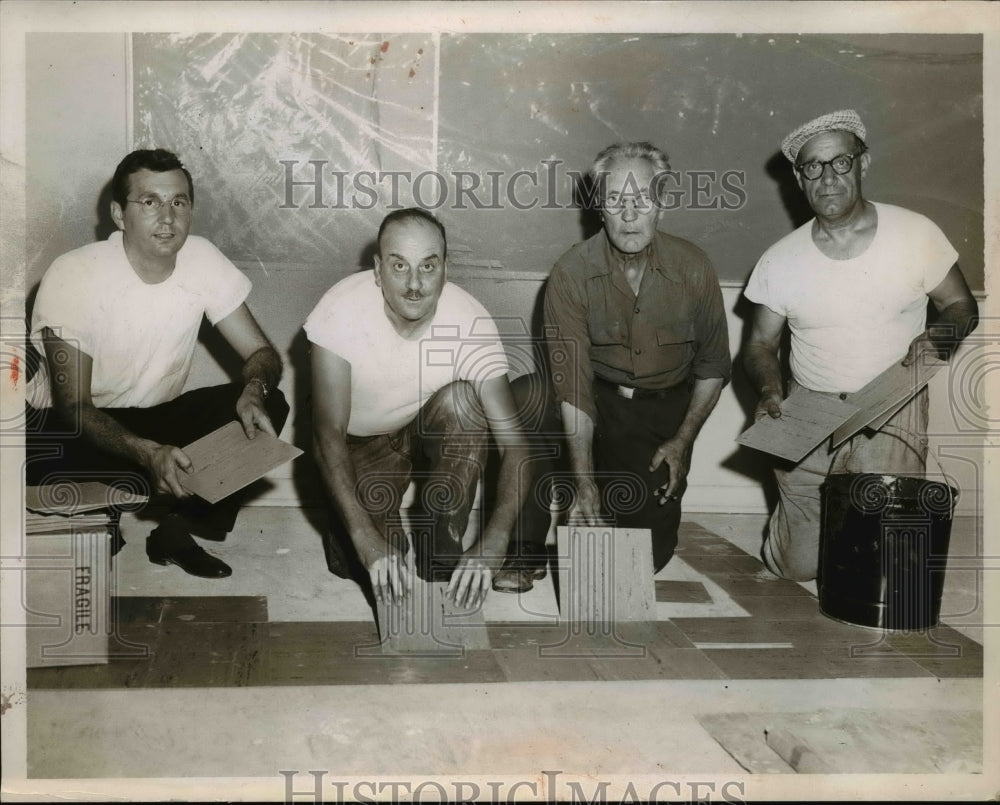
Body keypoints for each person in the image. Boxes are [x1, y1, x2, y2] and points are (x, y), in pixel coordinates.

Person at [27, 148, 289, 579]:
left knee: (267, 406)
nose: (167, 217)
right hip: (67, 428)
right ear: (118, 213)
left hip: (154, 418)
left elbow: (262, 355)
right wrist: (148, 454)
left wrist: (253, 390)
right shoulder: (74, 274)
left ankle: (176, 530)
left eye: (179, 202)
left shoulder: (201, 258)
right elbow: (74, 407)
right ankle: (98, 513)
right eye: (149, 202)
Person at [742, 109, 979, 581]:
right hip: (807, 408)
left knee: (878, 572)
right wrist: (770, 391)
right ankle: (797, 538)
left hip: (890, 402)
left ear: (862, 165)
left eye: (840, 163)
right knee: (796, 570)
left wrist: (939, 336)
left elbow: (960, 306)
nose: (827, 179)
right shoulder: (779, 259)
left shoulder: (915, 232)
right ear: (798, 177)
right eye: (813, 167)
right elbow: (759, 346)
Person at [306, 207, 531, 609]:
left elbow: (516, 446)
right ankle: (367, 532)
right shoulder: (339, 310)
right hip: (361, 444)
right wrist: (364, 538)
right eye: (399, 266)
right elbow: (327, 436)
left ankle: (440, 551)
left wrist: (495, 541)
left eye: (428, 266)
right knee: (365, 562)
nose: (414, 284)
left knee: (464, 401)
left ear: (446, 269)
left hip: (424, 425)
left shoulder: (470, 321)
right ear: (377, 270)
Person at [538, 141, 731, 576]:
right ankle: (523, 546)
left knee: (644, 561)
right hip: (595, 403)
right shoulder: (570, 274)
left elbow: (714, 367)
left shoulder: (694, 267)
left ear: (662, 204)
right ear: (598, 208)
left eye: (642, 199)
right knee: (529, 403)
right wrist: (583, 484)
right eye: (614, 200)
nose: (629, 215)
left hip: (661, 414)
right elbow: (573, 387)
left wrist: (683, 441)